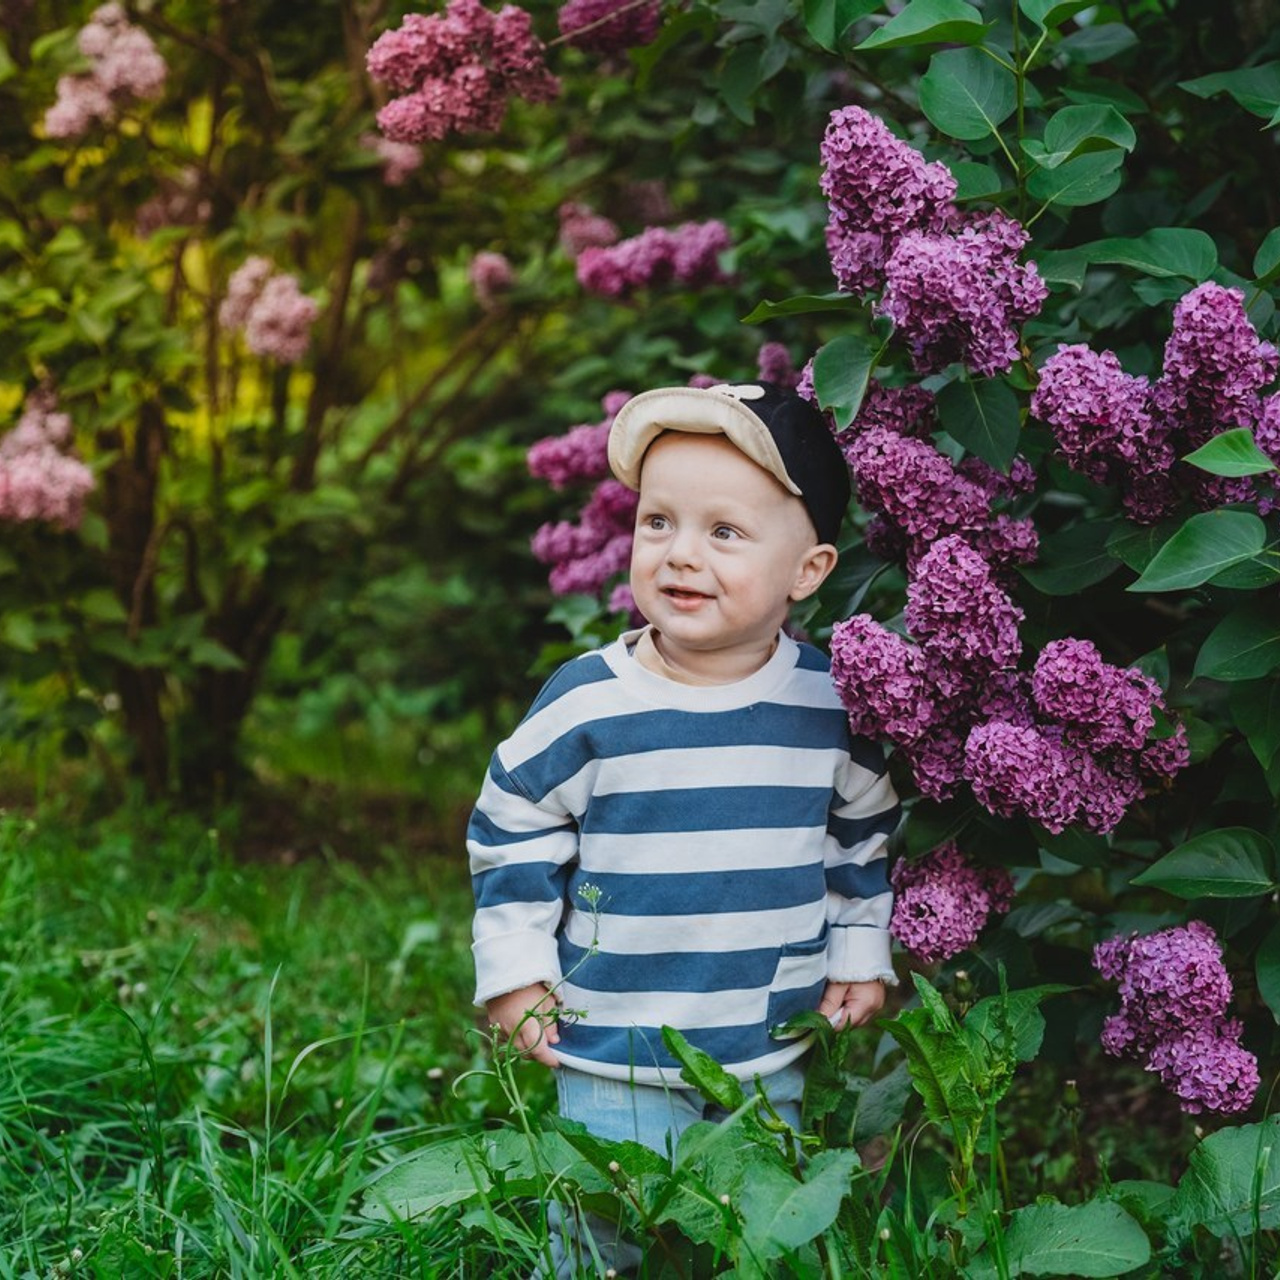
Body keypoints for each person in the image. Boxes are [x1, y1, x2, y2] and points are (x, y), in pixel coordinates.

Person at [467, 381, 899, 1272]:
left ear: (808, 571)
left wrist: (861, 949)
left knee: (754, 1231)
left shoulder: (825, 704)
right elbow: (511, 824)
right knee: (603, 1227)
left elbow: (861, 832)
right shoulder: (591, 700)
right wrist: (515, 973)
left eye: (724, 533)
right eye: (657, 522)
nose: (679, 556)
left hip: (766, 1041)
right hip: (612, 1046)